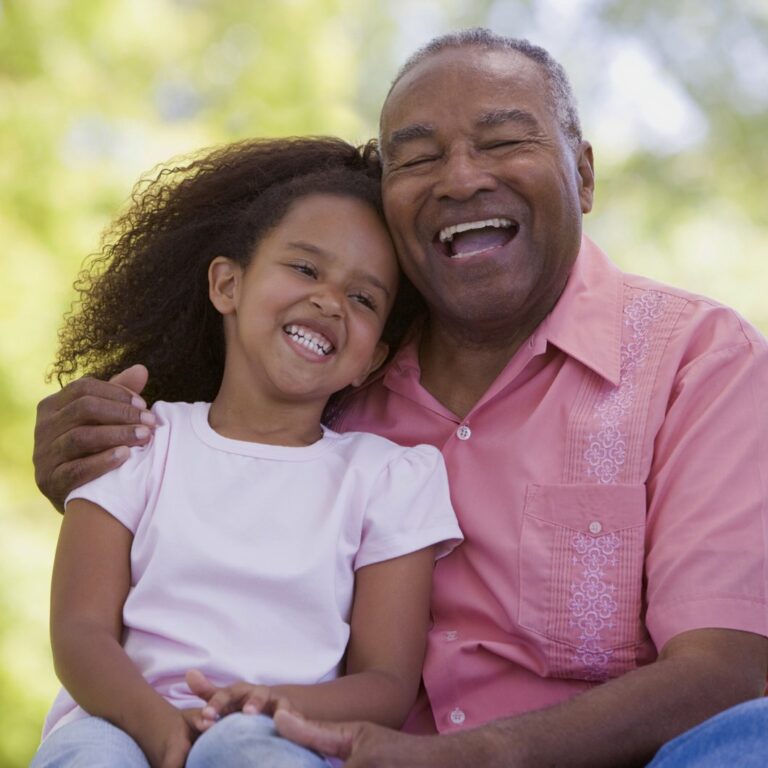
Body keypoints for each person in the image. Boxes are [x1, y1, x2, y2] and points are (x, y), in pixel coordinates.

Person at [33, 28, 768, 767]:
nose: (458, 179)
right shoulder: (329, 379)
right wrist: (81, 452)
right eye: (416, 159)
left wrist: (473, 757)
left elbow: (727, 670)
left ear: (583, 172)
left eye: (503, 140)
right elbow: (197, 482)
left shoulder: (698, 362)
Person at [30, 136, 463, 768]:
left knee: (245, 750)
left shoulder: (388, 478)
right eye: (306, 268)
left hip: (281, 728)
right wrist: (163, 729)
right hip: (120, 715)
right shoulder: (139, 440)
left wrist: (262, 706)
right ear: (228, 284)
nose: (328, 301)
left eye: (363, 298)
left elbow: (386, 686)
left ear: (371, 361)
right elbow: (78, 633)